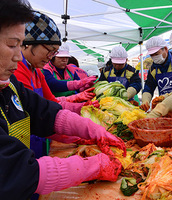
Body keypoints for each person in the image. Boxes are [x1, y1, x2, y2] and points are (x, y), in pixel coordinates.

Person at [0, 1, 126, 199]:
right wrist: (92, 166)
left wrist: (90, 129)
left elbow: (44, 111)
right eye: (12, 45)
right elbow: (14, 171)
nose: (18, 56)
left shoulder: (9, 83)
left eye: (20, 45)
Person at [15, 12, 99, 158]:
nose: (50, 57)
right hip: (22, 146)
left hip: (39, 140)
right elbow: (38, 114)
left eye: (54, 52)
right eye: (49, 50)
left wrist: (81, 108)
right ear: (30, 42)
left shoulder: (36, 71)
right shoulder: (17, 70)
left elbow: (52, 104)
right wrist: (75, 134)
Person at [139, 36, 172, 111]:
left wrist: (167, 97)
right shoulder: (153, 68)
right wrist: (145, 100)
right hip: (164, 108)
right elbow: (148, 88)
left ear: (165, 49)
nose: (154, 57)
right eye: (152, 55)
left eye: (156, 53)